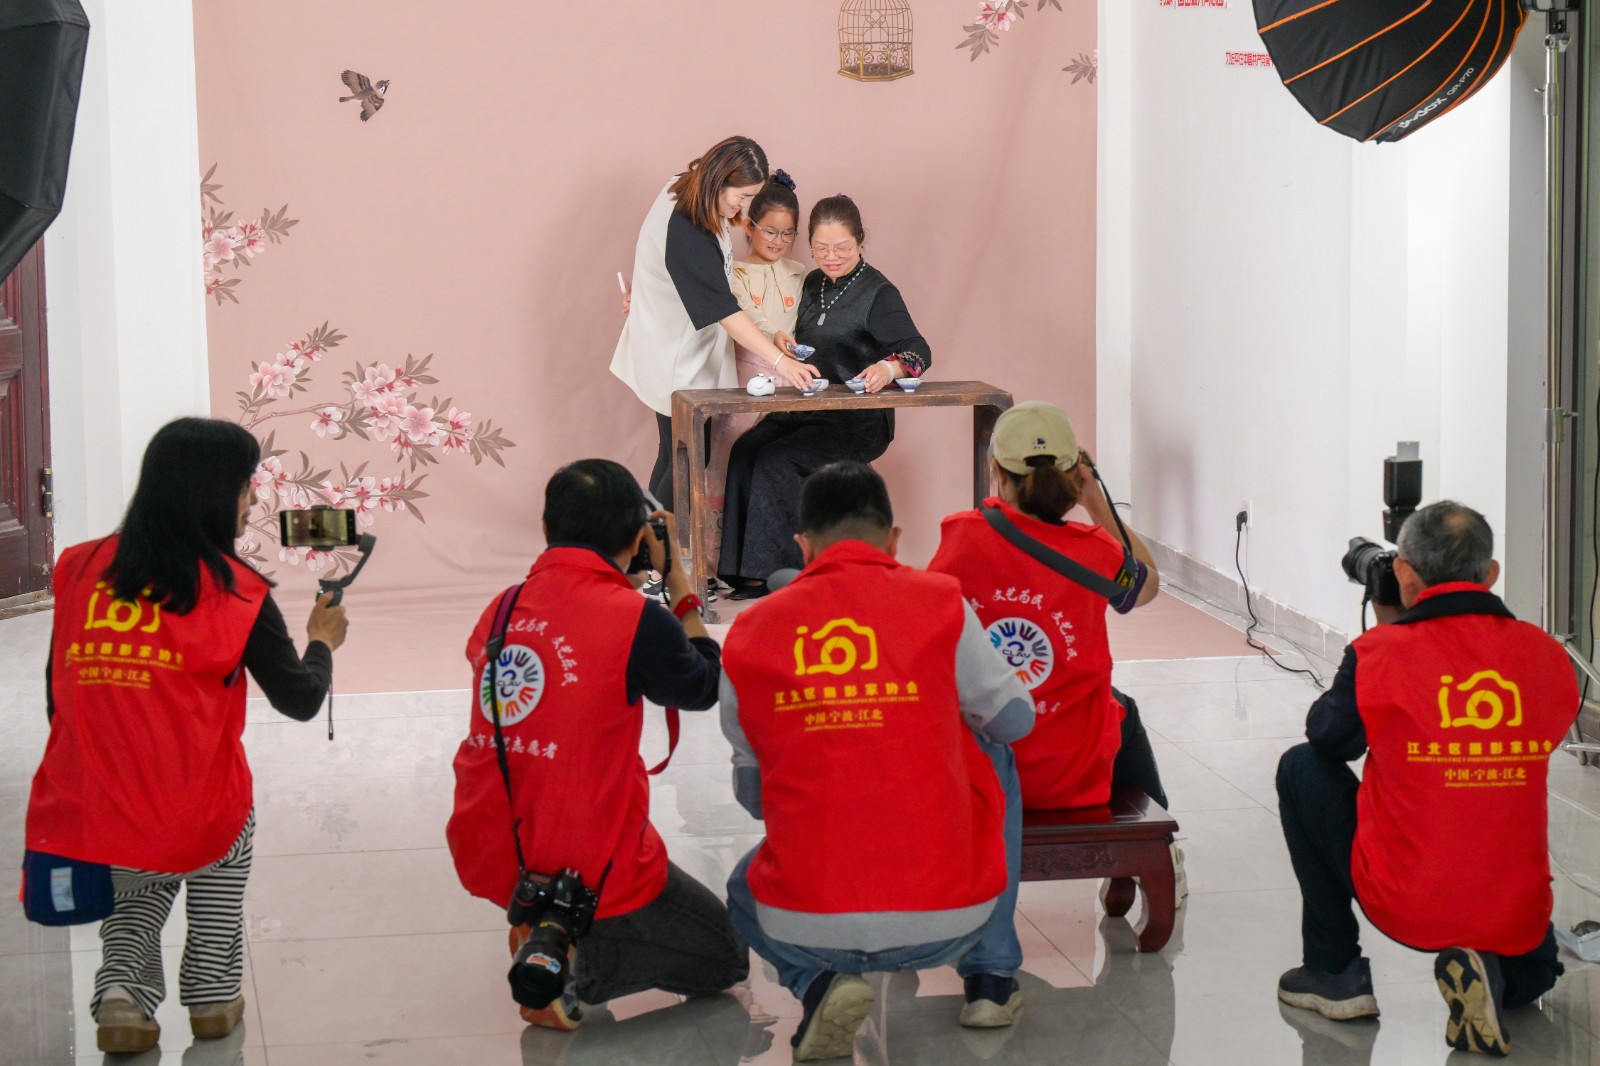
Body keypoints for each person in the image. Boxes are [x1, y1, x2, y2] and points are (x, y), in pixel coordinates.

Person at [23, 418, 348, 1055]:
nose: (253, 499)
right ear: (215, 493)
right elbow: (301, 699)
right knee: (218, 834)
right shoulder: (238, 591)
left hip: (93, 812)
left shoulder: (78, 567)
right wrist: (321, 641)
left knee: (137, 878)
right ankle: (212, 995)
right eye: (247, 485)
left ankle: (123, 993)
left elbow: (57, 693)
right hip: (197, 813)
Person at [720, 462, 1033, 1061]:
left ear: (803, 547)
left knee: (741, 890)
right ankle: (992, 978)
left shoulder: (751, 630)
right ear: (893, 539)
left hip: (803, 924)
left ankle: (817, 982)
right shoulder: (941, 601)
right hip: (951, 918)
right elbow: (1016, 720)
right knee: (995, 751)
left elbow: (755, 800)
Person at [446, 459, 748, 1032]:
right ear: (638, 540)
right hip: (595, 856)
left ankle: (545, 922)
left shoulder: (503, 607)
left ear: (546, 529)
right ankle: (569, 968)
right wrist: (678, 585)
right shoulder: (637, 620)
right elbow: (704, 686)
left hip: (499, 845)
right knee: (725, 959)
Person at [1274, 501, 1578, 1056]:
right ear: (1491, 574)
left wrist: (1389, 635)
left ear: (1404, 574)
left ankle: (1334, 971)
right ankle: (1491, 972)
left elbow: (1328, 741)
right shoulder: (1546, 655)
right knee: (1535, 975)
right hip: (1517, 910)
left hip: (1408, 901)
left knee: (1300, 767)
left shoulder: (1380, 653)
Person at [927, 402, 1174, 815]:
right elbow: (1147, 586)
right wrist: (1095, 500)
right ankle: (1158, 840)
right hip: (1072, 780)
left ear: (996, 470)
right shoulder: (1096, 550)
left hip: (984, 777)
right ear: (1076, 472)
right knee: (1121, 708)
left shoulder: (961, 537)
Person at [719, 194, 931, 598]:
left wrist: (888, 369)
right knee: (747, 449)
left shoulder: (878, 293)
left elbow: (918, 350)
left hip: (856, 420)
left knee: (778, 459)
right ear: (810, 244)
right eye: (821, 248)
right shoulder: (812, 282)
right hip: (806, 410)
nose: (831, 257)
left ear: (861, 240)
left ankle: (781, 577)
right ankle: (742, 573)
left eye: (842, 248)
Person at [610, 137, 817, 517]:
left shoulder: (683, 187)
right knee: (687, 458)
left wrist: (647, 291)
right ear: (719, 180)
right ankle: (661, 547)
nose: (742, 206)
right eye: (742, 196)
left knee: (675, 453)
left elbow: (664, 262)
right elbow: (724, 310)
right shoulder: (688, 225)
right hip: (676, 354)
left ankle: (651, 546)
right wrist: (781, 362)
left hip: (670, 342)